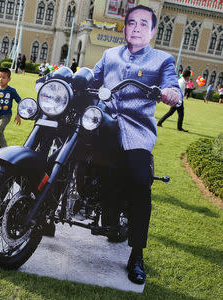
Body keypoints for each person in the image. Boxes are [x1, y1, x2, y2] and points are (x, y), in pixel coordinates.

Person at [91, 5, 181, 285]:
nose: (137, 27)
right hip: (103, 120)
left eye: (144, 23)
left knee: (140, 180)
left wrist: (171, 93)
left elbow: (173, 86)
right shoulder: (109, 55)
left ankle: (136, 253)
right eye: (131, 22)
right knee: (68, 148)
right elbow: (92, 78)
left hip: (136, 128)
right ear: (125, 27)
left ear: (153, 30)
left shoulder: (162, 60)